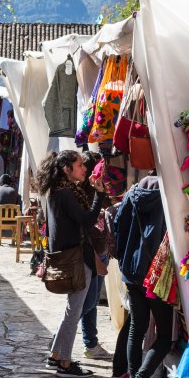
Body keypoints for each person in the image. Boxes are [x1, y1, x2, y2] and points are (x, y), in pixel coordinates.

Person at [38, 150, 107, 378]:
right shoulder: (66, 193)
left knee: (73, 309)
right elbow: (86, 220)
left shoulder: (55, 192)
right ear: (67, 169)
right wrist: (98, 195)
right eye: (79, 165)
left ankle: (56, 355)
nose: (84, 168)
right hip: (76, 259)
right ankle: (65, 363)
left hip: (69, 257)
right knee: (74, 311)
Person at [113, 173, 169, 378]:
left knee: (137, 326)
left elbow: (117, 225)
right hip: (155, 272)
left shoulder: (132, 194)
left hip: (130, 268)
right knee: (165, 334)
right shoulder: (166, 196)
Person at [74, 151, 112, 360]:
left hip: (99, 249)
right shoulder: (80, 193)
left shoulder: (99, 190)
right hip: (89, 252)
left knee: (92, 300)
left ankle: (91, 343)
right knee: (87, 302)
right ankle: (61, 335)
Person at [0, 174, 20, 242]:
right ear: (9, 183)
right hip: (13, 219)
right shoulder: (15, 191)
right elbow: (16, 205)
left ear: (0, 182)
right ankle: (16, 236)